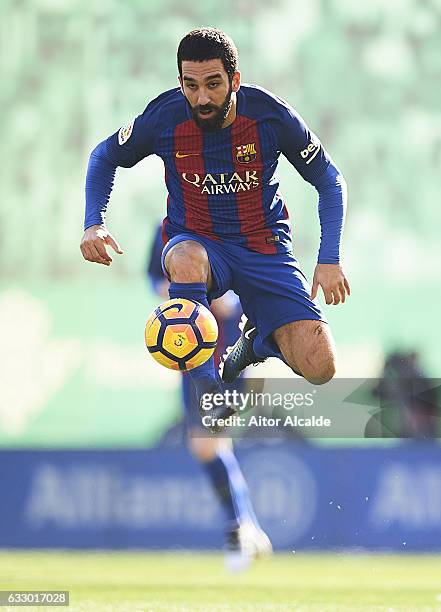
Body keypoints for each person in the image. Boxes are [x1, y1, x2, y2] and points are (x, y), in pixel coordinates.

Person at [81, 27, 350, 434]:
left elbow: (329, 179)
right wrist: (93, 223)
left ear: (234, 80)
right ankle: (209, 389)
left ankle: (257, 341)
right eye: (191, 86)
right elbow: (104, 155)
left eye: (213, 84)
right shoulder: (163, 117)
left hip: (265, 249)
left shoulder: (269, 115)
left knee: (320, 367)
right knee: (183, 257)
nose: (202, 98)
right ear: (180, 83)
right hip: (199, 243)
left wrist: (329, 258)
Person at [147, 224, 272, 570]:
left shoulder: (240, 221)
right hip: (190, 358)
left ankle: (241, 530)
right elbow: (153, 279)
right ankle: (248, 527)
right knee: (209, 447)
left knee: (208, 444)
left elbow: (256, 284)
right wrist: (182, 299)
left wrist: (228, 302)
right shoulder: (166, 229)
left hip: (231, 355)